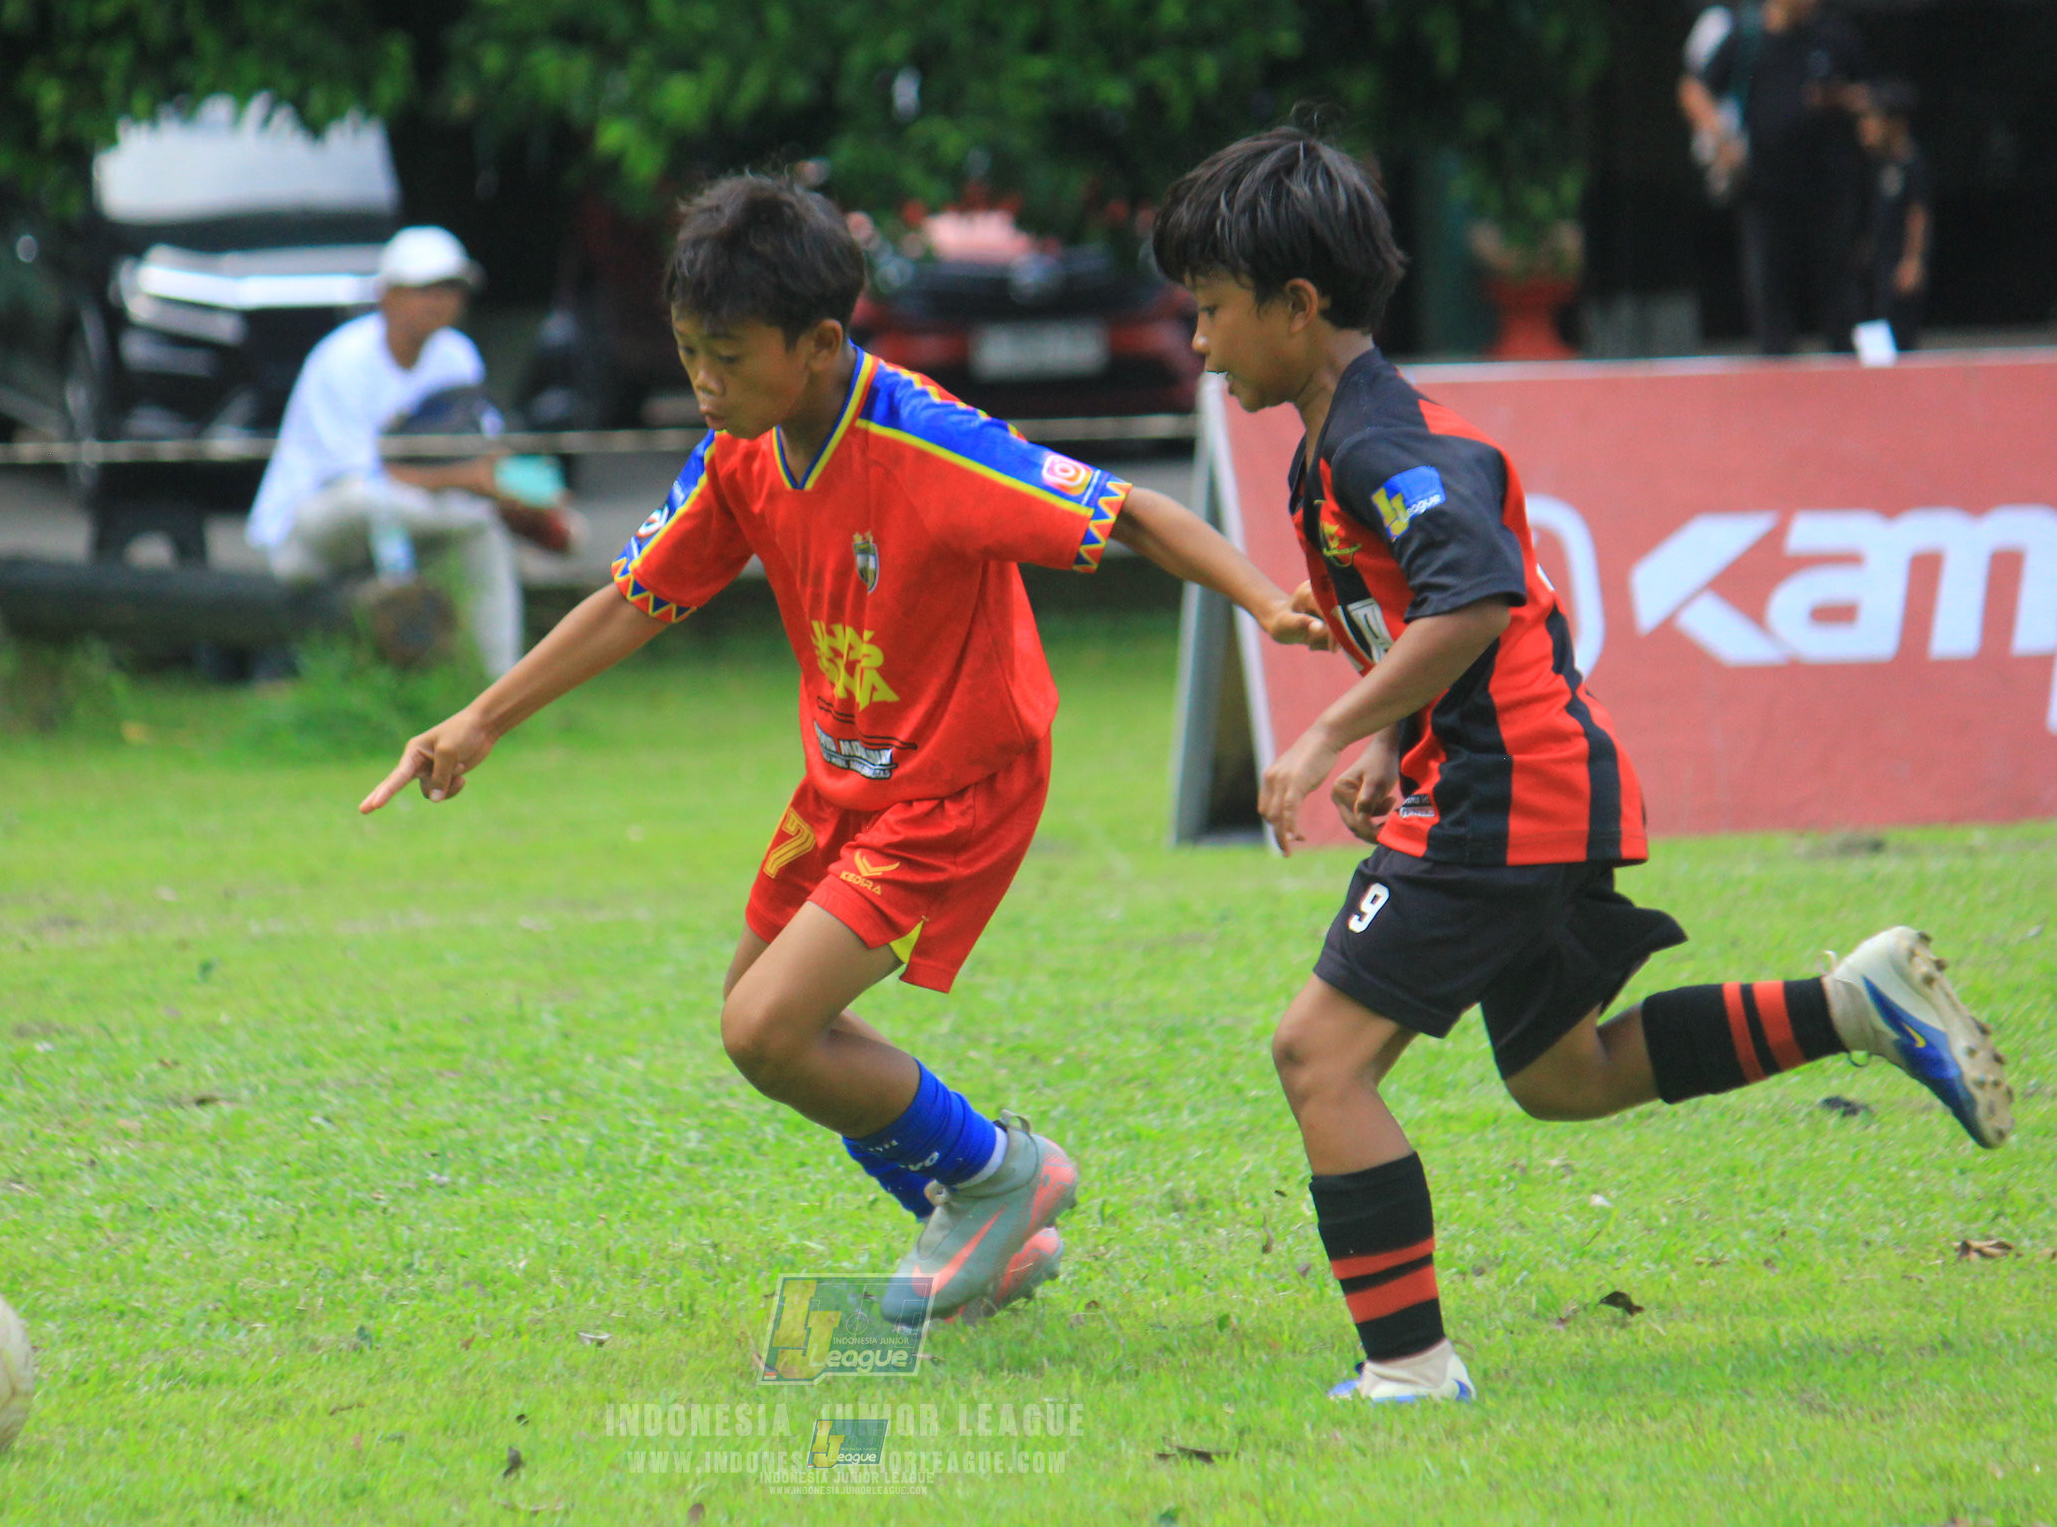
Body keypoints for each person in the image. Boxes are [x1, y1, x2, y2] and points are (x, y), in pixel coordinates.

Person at [362, 176, 1332, 1323]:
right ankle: (989, 1233)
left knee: (767, 1025)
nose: (703, 382)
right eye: (686, 352)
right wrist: (479, 718)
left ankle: (999, 1173)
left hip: (958, 780)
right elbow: (635, 597)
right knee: (765, 1023)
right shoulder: (741, 447)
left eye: (726, 354)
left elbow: (1129, 512)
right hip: (849, 777)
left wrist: (1266, 603)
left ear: (820, 343)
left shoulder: (927, 441)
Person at [1151, 129, 2013, 1403]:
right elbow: (1456, 613)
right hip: (1526, 775)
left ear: (1298, 304)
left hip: (1504, 793)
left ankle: (1409, 1365)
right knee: (1567, 1075)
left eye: (1212, 309)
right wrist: (1395, 734)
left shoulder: (1380, 447)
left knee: (1317, 1055)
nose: (1200, 341)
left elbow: (1480, 597)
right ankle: (1849, 1005)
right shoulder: (1347, 438)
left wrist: (1331, 727)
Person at [245, 226, 548, 679]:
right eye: (425, 287)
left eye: (451, 287)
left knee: (485, 531)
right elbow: (355, 475)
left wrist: (530, 491)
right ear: (386, 294)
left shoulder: (457, 354)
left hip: (410, 518)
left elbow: (483, 447)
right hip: (309, 536)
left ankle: (499, 689)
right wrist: (463, 481)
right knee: (370, 498)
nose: (440, 299)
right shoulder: (342, 358)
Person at [1677, 0, 1868, 355]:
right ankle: (1776, 372)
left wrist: (1843, 100)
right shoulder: (1748, 37)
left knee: (1838, 285)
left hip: (1828, 186)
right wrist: (1721, 137)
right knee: (1770, 289)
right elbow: (1693, 88)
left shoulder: (1835, 36)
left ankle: (1848, 374)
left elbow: (1867, 97)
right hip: (1766, 187)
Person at [1858, 78, 1932, 352]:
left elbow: (1918, 215)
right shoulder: (1878, 164)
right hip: (1879, 263)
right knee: (1875, 334)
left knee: (1899, 338)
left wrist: (1913, 260)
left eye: (1873, 119)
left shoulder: (1911, 164)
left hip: (1898, 264)